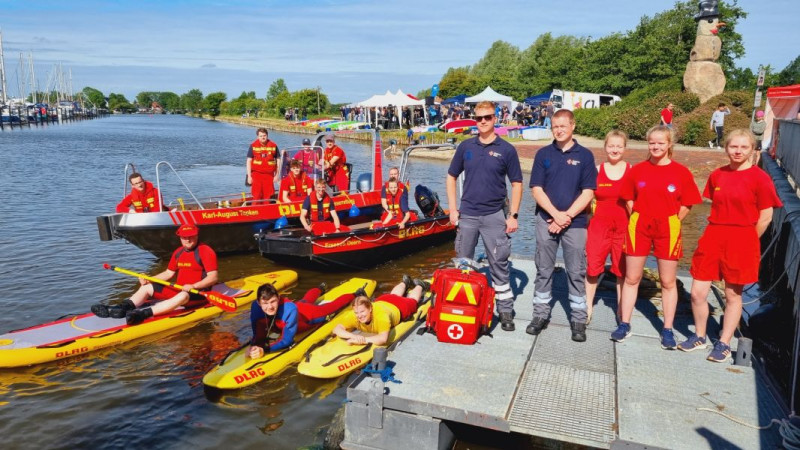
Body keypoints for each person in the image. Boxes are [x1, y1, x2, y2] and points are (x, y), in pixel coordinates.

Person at [678, 129, 782, 362]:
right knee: (697, 293)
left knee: (732, 295)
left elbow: (766, 216)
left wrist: (748, 240)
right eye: (734, 147)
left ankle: (724, 342)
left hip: (742, 238)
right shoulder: (718, 175)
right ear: (726, 148)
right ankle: (699, 335)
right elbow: (717, 204)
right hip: (714, 235)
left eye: (744, 147)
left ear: (752, 151)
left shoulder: (760, 178)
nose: (738, 151)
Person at [611, 125, 702, 347]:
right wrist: (637, 215)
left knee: (668, 281)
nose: (656, 146)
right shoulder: (638, 170)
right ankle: (625, 324)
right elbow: (627, 197)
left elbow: (688, 203)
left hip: (668, 226)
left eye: (661, 142)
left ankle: (667, 329)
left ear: (670, 144)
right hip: (640, 224)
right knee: (631, 278)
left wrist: (673, 220)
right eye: (652, 142)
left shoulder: (680, 172)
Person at [446, 100, 523, 332]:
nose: (482, 122)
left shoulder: (507, 150)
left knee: (499, 264)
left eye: (487, 117)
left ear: (494, 119)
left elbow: (517, 184)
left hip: (494, 215)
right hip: (467, 214)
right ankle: (460, 308)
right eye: (478, 118)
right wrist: (453, 209)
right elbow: (451, 177)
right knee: (463, 264)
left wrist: (513, 215)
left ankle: (506, 310)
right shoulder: (465, 147)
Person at [529, 109, 597, 342]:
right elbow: (536, 189)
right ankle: (540, 315)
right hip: (546, 219)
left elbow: (588, 192)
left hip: (575, 223)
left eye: (563, 126)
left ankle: (578, 319)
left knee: (576, 271)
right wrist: (555, 214)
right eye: (555, 126)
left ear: (573, 126)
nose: (559, 130)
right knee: (544, 269)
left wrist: (565, 216)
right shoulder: (543, 154)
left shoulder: (585, 156)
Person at [91, 224, 218, 325]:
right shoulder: (178, 252)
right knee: (146, 287)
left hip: (198, 294)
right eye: (184, 237)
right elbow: (168, 273)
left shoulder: (205, 251)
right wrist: (149, 279)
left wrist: (194, 286)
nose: (187, 239)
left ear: (196, 235)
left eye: (191, 236)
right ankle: (121, 308)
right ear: (180, 237)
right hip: (180, 289)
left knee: (183, 295)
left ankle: (143, 314)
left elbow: (213, 277)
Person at [585, 130, 631, 325]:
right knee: (593, 267)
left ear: (624, 148)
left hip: (624, 227)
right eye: (611, 146)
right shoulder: (596, 170)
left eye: (619, 146)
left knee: (622, 270)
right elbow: (586, 199)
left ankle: (621, 311)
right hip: (599, 226)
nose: (615, 150)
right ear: (605, 147)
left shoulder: (631, 170)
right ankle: (587, 307)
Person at [247, 282, 356, 358]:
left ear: (279, 298)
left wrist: (264, 349)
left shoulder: (289, 310)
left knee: (329, 307)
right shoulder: (256, 308)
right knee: (305, 300)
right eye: (265, 303)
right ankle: (320, 288)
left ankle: (355, 294)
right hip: (297, 307)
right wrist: (254, 345)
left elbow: (287, 340)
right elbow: (258, 334)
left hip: (305, 317)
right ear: (258, 302)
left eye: (273, 301)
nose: (270, 307)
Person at [332, 276, 428, 346]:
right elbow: (336, 329)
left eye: (362, 312)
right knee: (393, 295)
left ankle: (420, 285)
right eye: (357, 312)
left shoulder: (381, 317)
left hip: (400, 306)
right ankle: (405, 282)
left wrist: (363, 340)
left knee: (413, 301)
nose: (359, 315)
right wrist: (353, 336)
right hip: (383, 300)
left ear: (370, 309)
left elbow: (383, 339)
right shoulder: (354, 314)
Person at [246, 128, 279, 202]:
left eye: (264, 135)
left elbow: (278, 160)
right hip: (256, 174)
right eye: (260, 136)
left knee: (268, 195)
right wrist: (249, 176)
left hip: (269, 175)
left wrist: (277, 175)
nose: (263, 137)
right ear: (257, 136)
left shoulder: (273, 145)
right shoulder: (253, 145)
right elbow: (249, 161)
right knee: (256, 194)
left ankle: (267, 210)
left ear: (267, 135)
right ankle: (255, 210)